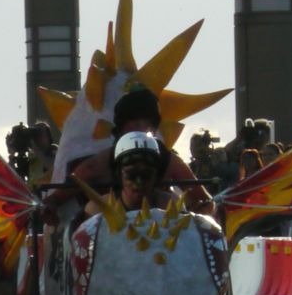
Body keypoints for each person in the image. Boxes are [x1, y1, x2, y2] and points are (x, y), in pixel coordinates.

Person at [44, 86, 214, 221]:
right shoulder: (102, 161)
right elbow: (61, 194)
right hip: (110, 243)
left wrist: (201, 209)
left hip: (162, 240)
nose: (140, 131)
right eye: (133, 126)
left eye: (145, 125)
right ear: (121, 130)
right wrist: (51, 205)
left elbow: (203, 200)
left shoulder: (168, 161)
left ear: (153, 129)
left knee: (170, 202)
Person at [87, 131, 171, 215]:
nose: (139, 182)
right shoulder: (98, 208)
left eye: (146, 175)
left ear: (157, 175)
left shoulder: (170, 205)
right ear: (118, 174)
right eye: (131, 175)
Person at [26, 120, 57, 192]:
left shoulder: (53, 149)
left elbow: (54, 167)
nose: (37, 137)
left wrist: (36, 150)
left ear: (48, 136)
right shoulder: (32, 157)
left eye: (40, 134)